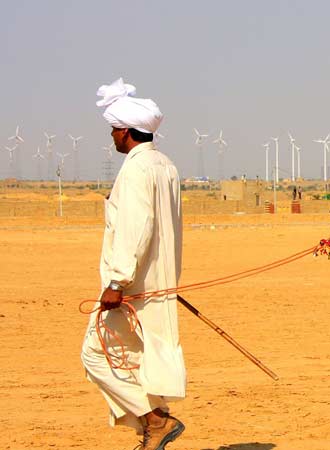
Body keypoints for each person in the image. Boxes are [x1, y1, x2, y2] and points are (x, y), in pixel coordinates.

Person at [81, 78, 186, 450]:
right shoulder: (165, 165)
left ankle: (154, 420)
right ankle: (153, 424)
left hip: (132, 287)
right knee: (142, 358)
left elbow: (136, 227)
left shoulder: (137, 170)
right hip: (156, 282)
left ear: (126, 132)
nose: (112, 137)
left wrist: (117, 282)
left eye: (114, 130)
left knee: (96, 353)